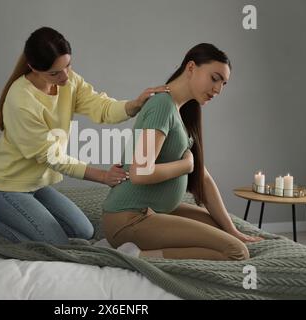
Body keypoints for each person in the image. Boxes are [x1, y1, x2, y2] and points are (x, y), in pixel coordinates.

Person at [0, 27, 169, 245]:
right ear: (33, 68)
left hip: (36, 185)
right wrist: (102, 176)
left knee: (83, 232)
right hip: (5, 186)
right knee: (57, 244)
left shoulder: (69, 82)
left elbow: (101, 107)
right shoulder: (22, 102)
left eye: (68, 65)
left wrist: (134, 104)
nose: (65, 76)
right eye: (55, 73)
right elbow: (52, 156)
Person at [102, 43, 263, 261]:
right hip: (130, 219)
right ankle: (140, 256)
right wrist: (185, 165)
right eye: (214, 78)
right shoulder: (162, 106)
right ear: (191, 68)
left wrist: (233, 230)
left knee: (224, 231)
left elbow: (203, 179)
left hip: (155, 212)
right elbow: (140, 172)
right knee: (236, 252)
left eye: (224, 83)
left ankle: (224, 235)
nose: (218, 90)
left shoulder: (182, 110)